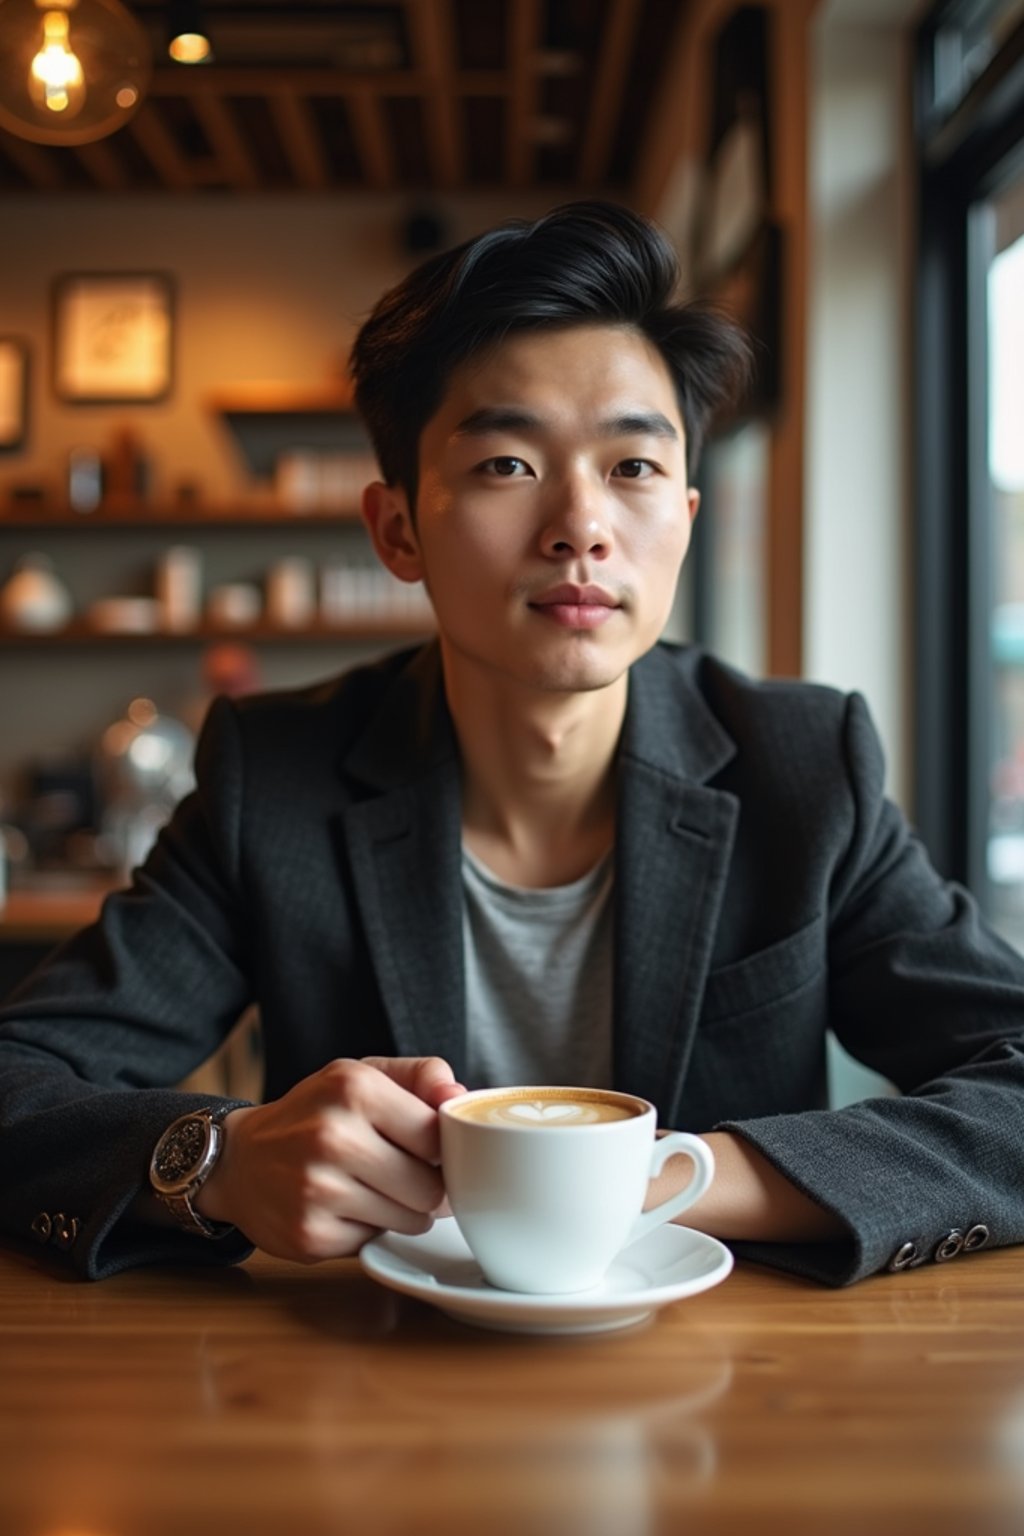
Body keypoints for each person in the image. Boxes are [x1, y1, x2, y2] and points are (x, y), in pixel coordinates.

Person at [2, 201, 1023, 1287]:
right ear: (397, 528)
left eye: (631, 469)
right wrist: (216, 1163)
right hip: (357, 1385)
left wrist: (675, 1176)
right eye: (505, 465)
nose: (580, 524)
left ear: (681, 515)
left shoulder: (801, 766)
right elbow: (20, 1076)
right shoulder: (277, 776)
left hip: (732, 1390)